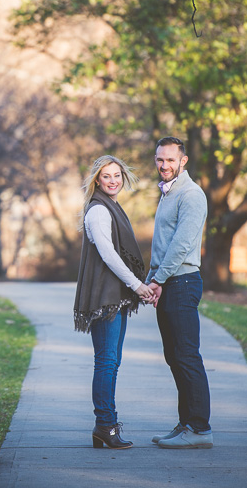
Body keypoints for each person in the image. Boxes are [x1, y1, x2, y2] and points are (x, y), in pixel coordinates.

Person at [74, 155, 156, 449]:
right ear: (97, 179)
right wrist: (138, 286)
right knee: (107, 363)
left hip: (113, 298)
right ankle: (106, 425)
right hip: (105, 298)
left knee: (111, 362)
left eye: (117, 176)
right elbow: (109, 255)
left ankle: (104, 427)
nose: (113, 181)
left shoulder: (112, 207)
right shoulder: (98, 211)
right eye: (106, 176)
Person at [144, 136, 213, 449]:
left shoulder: (191, 194)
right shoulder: (168, 193)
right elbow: (161, 245)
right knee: (174, 357)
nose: (164, 165)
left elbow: (182, 245)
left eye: (170, 160)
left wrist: (158, 279)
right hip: (169, 282)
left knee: (186, 356)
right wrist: (151, 280)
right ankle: (187, 422)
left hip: (182, 282)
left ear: (183, 161)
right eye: (160, 159)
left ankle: (199, 429)